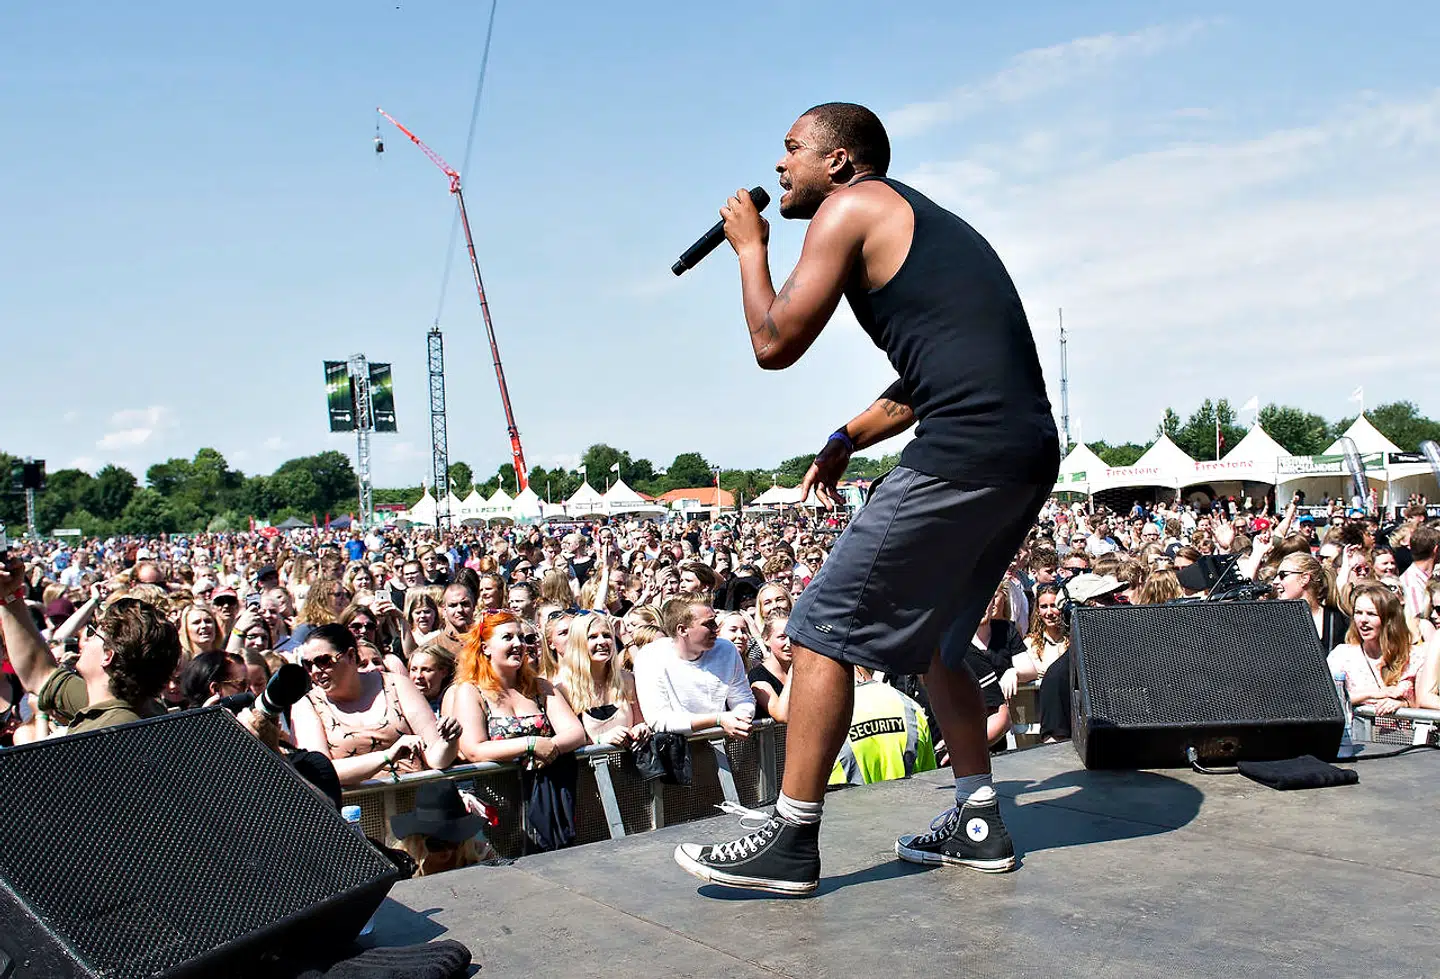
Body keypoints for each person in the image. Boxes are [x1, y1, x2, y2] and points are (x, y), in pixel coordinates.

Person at [675, 102, 1057, 894]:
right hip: (1024, 451)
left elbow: (773, 341)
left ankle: (791, 837)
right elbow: (935, 375)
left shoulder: (851, 208)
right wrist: (848, 435)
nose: (778, 167)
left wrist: (751, 250)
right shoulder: (916, 219)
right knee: (942, 645)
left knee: (819, 627)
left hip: (963, 449)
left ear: (841, 163)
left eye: (792, 151)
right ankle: (979, 819)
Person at [1, 556, 181, 733]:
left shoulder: (108, 732)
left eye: (92, 633)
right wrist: (10, 594)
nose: (85, 641)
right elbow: (39, 673)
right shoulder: (118, 703)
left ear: (107, 655)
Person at [289, 623, 460, 787]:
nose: (315, 671)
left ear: (350, 655)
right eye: (308, 664)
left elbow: (436, 758)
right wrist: (386, 756)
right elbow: (319, 771)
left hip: (415, 805)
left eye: (323, 661)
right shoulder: (306, 705)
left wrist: (449, 741)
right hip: (353, 812)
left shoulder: (396, 684)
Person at [447, 610, 586, 766]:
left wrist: (552, 747)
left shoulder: (540, 687)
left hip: (544, 784)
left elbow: (576, 732)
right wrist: (530, 744)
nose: (519, 644)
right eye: (508, 637)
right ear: (485, 648)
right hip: (498, 787)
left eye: (521, 637)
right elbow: (474, 750)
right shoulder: (470, 691)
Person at [635, 600, 755, 737]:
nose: (716, 628)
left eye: (714, 621)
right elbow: (659, 720)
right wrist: (718, 720)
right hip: (675, 750)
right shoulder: (650, 656)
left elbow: (743, 698)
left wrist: (740, 718)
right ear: (682, 629)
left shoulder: (726, 649)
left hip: (721, 745)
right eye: (708, 624)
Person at [829, 666, 938, 787]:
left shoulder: (823, 719)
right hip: (907, 803)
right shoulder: (911, 708)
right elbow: (930, 782)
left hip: (842, 804)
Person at [554, 613, 650, 747]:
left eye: (607, 635)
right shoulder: (563, 689)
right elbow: (568, 741)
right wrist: (601, 740)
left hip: (630, 764)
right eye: (592, 637)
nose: (602, 642)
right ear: (578, 643)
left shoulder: (626, 679)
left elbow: (639, 722)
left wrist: (640, 729)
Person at [1326, 583, 1421, 715]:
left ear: (1389, 620)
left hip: (1404, 734)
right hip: (1358, 734)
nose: (1363, 620)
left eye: (1371, 614)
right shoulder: (1342, 655)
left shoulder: (1414, 656)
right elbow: (1327, 698)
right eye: (1358, 613)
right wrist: (1374, 694)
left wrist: (1403, 705)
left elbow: (1424, 701)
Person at [748, 616, 792, 721]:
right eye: (782, 637)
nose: (789, 644)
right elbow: (782, 716)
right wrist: (794, 669)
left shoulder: (806, 672)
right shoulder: (758, 676)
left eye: (793, 637)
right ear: (766, 639)